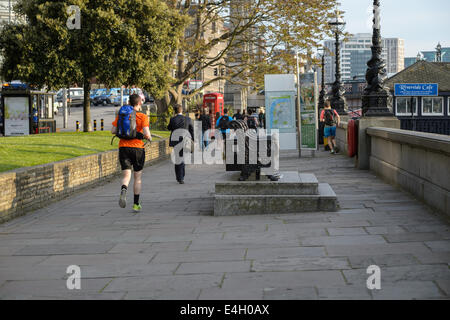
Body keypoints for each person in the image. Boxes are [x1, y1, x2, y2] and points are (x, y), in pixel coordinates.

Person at [112, 94, 151, 213]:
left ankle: (124, 189)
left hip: (123, 147)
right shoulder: (142, 116)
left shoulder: (122, 114)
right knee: (137, 177)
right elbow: (146, 133)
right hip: (138, 149)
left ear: (129, 102)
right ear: (139, 103)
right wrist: (148, 137)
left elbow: (113, 131)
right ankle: (136, 204)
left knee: (126, 176)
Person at [168, 105, 194, 184]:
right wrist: (193, 140)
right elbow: (192, 130)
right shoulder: (188, 119)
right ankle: (182, 176)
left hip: (176, 141)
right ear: (181, 110)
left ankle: (180, 177)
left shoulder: (173, 119)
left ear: (175, 111)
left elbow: (169, 128)